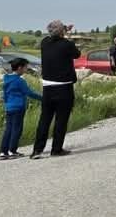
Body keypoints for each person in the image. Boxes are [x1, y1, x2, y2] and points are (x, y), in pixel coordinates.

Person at [31, 20, 80, 159]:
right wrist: (68, 36)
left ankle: (37, 150)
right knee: (61, 119)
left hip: (47, 86)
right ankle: (56, 149)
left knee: (44, 119)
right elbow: (76, 54)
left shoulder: (44, 42)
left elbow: (55, 35)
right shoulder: (67, 44)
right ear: (62, 32)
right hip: (64, 87)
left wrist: (63, 30)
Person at [0, 57, 41, 160]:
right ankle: (12, 150)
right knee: (17, 129)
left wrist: (6, 104)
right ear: (19, 68)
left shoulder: (6, 79)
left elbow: (4, 94)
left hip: (9, 107)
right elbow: (29, 93)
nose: (26, 69)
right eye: (25, 67)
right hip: (18, 107)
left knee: (8, 129)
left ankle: (3, 152)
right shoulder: (19, 81)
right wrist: (43, 98)